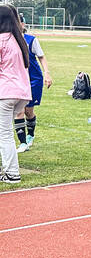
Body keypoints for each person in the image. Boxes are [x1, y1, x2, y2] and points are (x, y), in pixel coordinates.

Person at [0, 5, 32, 184]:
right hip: (22, 93)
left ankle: (12, 172)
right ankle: (8, 169)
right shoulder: (18, 40)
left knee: (4, 133)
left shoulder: (1, 40)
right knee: (3, 131)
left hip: (6, 92)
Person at [14, 14, 53, 153]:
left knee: (28, 111)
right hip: (17, 80)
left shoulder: (31, 40)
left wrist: (47, 73)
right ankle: (23, 143)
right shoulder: (9, 40)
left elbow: (41, 57)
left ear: (23, 25)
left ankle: (30, 135)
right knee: (19, 111)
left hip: (34, 79)